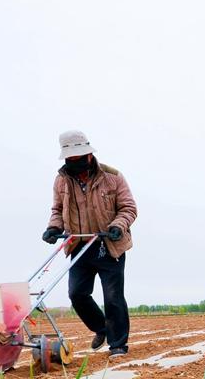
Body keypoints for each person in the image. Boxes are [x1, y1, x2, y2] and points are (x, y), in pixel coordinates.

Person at [42, 130, 137, 357]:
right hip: (78, 245)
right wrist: (53, 228)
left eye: (79, 158)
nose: (75, 163)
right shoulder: (61, 180)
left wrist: (118, 225)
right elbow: (57, 210)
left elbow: (129, 208)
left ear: (88, 154)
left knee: (113, 296)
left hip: (109, 245)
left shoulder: (112, 176)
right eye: (70, 160)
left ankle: (118, 345)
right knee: (77, 294)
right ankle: (102, 328)